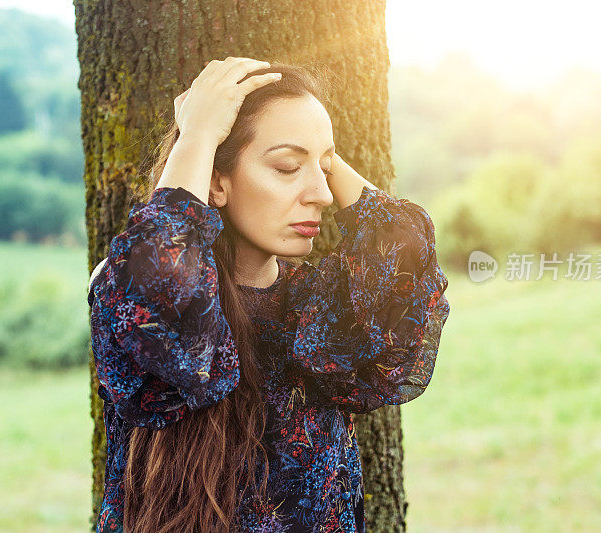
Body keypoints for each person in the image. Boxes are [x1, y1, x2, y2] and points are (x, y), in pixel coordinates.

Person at [87, 57, 450, 533]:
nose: (320, 193)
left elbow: (403, 252)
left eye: (323, 170)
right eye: (285, 167)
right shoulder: (132, 291)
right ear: (216, 181)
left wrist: (319, 148)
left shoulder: (320, 310)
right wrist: (197, 135)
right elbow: (162, 280)